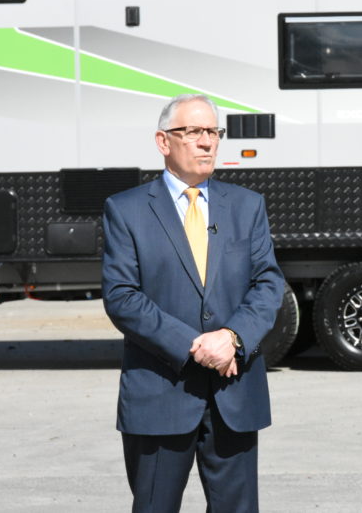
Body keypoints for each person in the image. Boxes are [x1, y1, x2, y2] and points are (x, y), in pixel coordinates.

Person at [102, 93, 285, 513]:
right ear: (164, 141)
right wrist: (196, 345)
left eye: (213, 132)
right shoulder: (125, 210)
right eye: (194, 132)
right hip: (161, 393)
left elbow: (267, 283)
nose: (207, 142)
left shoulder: (246, 205)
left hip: (234, 394)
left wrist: (233, 337)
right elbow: (122, 297)